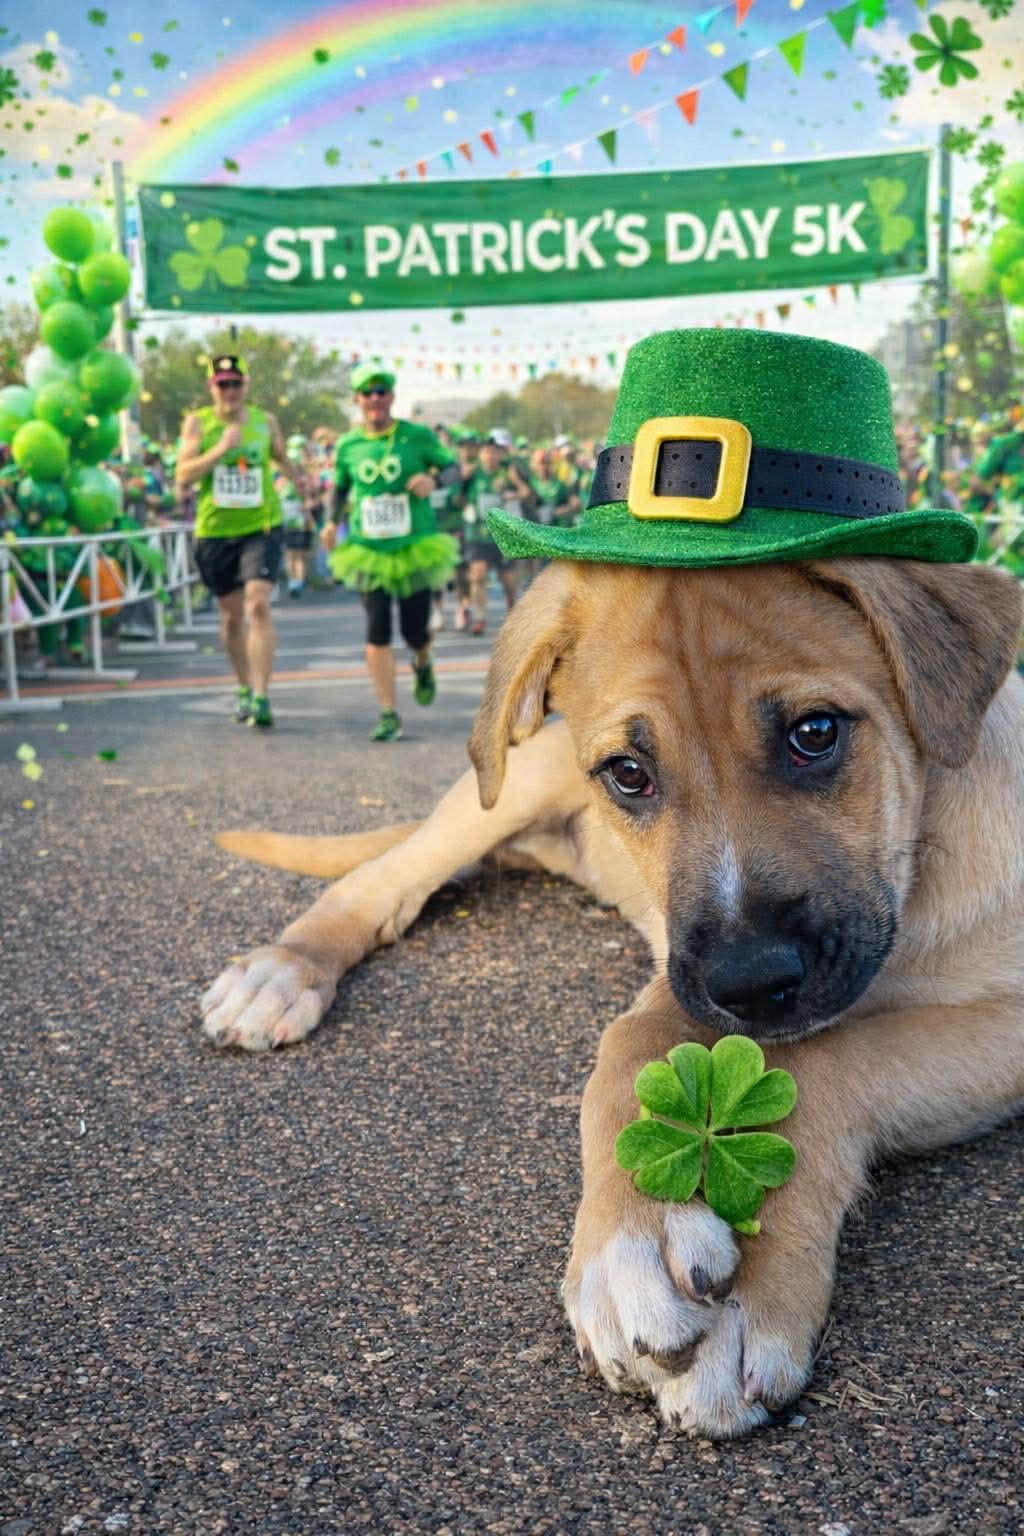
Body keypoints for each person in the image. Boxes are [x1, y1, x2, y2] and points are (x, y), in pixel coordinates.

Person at [326, 364, 459, 742]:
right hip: (368, 550)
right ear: (357, 399)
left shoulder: (415, 436)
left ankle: (421, 660)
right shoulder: (348, 444)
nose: (375, 399)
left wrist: (433, 480)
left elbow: (453, 469)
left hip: (414, 547)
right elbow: (338, 488)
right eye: (367, 393)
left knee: (414, 631)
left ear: (391, 396)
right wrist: (328, 522)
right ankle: (388, 711)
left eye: (381, 391)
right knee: (377, 631)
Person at [175, 354, 303, 729]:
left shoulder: (266, 422)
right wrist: (219, 450)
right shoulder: (198, 423)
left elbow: (280, 458)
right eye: (222, 383)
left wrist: (300, 483)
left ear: (246, 386)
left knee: (258, 605)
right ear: (211, 387)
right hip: (215, 532)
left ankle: (262, 696)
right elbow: (183, 473)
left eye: (235, 383)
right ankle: (244, 686)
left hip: (261, 525)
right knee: (232, 619)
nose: (229, 390)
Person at [460, 433, 533, 634]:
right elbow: (457, 497)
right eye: (486, 451)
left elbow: (525, 492)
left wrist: (514, 492)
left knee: (508, 580)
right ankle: (479, 617)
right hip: (478, 533)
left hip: (501, 535)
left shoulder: (507, 473)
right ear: (480, 454)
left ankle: (512, 613)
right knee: (478, 574)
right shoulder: (472, 473)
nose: (489, 455)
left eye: (494, 451)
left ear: (500, 454)